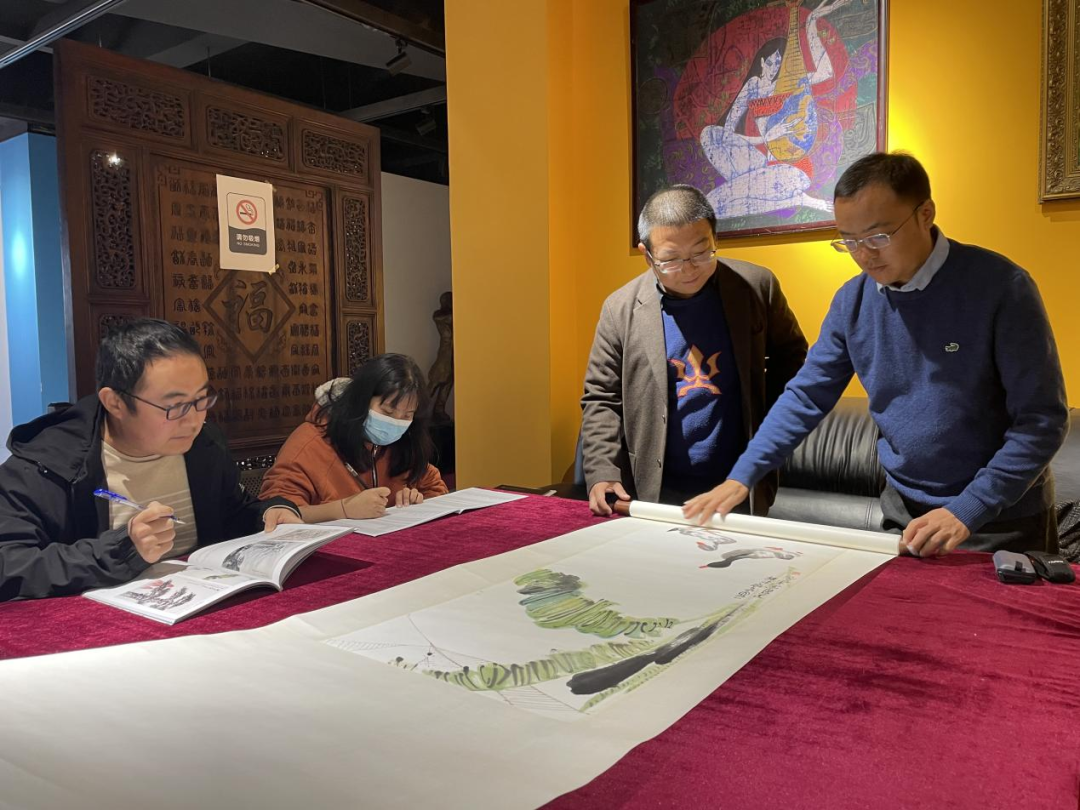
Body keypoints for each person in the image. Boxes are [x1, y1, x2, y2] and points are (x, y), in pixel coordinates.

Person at [685, 152, 1069, 556]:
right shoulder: (853, 301)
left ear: (925, 214)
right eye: (848, 241)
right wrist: (743, 475)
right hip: (903, 511)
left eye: (878, 237)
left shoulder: (1001, 288)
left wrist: (968, 509)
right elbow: (806, 396)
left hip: (1001, 518)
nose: (864, 254)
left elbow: (1042, 420)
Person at [0, 319, 302, 601]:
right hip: (96, 626)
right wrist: (121, 551)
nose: (195, 420)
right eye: (175, 406)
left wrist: (267, 513)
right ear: (115, 403)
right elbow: (10, 565)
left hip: (198, 606)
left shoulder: (203, 444)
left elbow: (229, 512)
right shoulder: (47, 466)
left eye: (201, 399)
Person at [582, 184, 807, 517]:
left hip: (737, 484)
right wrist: (603, 469)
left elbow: (792, 358)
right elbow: (602, 397)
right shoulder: (620, 309)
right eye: (671, 259)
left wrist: (768, 425)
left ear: (715, 239)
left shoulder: (757, 287)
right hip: (652, 486)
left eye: (702, 253)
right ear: (647, 254)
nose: (689, 269)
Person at [260, 353, 447, 521]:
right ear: (361, 400)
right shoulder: (310, 442)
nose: (395, 423)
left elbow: (435, 489)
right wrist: (343, 509)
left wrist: (418, 502)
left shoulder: (405, 440)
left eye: (406, 416)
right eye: (387, 412)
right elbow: (276, 513)